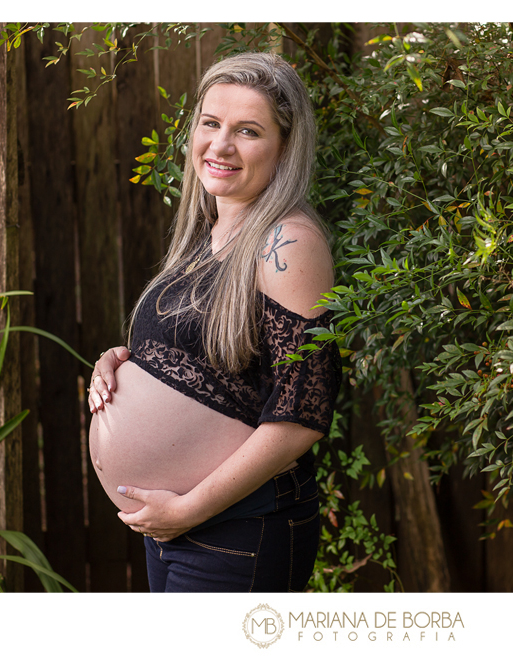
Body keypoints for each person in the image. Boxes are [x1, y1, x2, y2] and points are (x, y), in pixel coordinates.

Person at [85, 51, 340, 592]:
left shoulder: (287, 242)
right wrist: (122, 362)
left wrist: (191, 508)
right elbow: (204, 356)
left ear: (285, 148)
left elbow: (304, 410)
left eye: (247, 131)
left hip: (237, 529)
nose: (220, 146)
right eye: (210, 123)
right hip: (176, 528)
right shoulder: (207, 235)